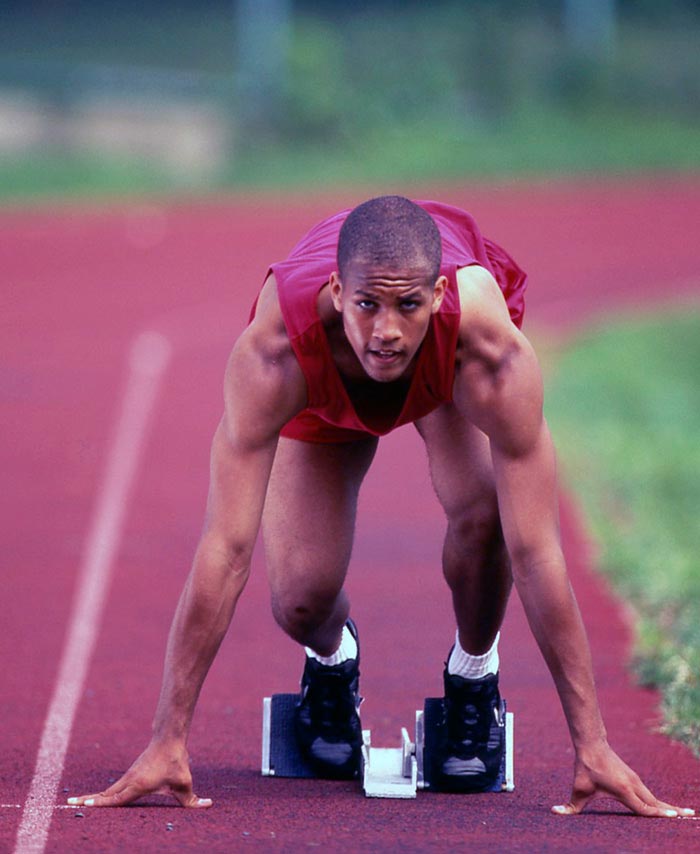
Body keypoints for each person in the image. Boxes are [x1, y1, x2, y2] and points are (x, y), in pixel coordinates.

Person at [69, 196, 693, 816]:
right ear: (339, 292)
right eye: (368, 304)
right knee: (300, 599)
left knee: (488, 519)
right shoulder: (276, 352)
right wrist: (168, 738)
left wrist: (594, 744)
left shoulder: (489, 354)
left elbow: (537, 552)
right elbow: (226, 548)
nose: (386, 331)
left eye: (408, 305)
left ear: (441, 295)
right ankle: (333, 660)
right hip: (324, 385)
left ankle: (473, 676)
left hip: (444, 372)